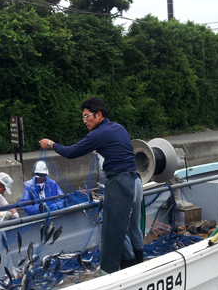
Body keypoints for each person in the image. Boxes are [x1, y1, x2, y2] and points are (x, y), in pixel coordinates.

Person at [39, 97, 143, 273]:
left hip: (120, 185)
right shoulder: (119, 128)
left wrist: (51, 144)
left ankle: (124, 274)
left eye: (87, 116)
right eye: (83, 117)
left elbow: (71, 152)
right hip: (136, 182)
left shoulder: (99, 134)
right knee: (134, 228)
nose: (85, 121)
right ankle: (141, 268)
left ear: (99, 114)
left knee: (116, 231)